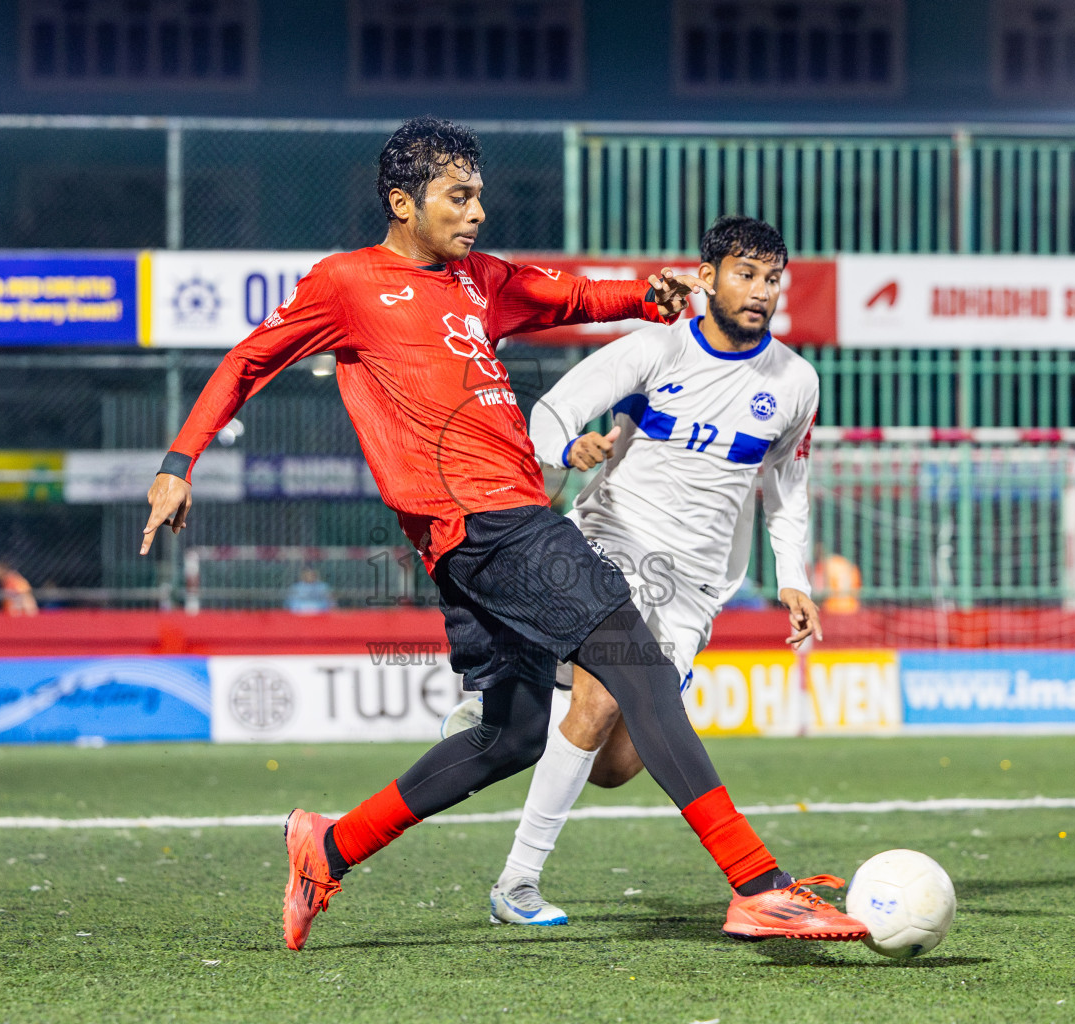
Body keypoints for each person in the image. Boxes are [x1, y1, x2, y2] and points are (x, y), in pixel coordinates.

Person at [140, 118, 866, 951]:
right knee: (637, 665)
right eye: (459, 195)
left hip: (483, 531)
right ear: (401, 202)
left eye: (479, 193)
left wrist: (643, 294)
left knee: (511, 732)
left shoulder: (479, 279)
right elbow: (245, 362)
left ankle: (329, 846)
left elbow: (568, 295)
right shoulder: (348, 284)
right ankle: (758, 885)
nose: (478, 210)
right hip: (487, 521)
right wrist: (179, 459)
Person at [456, 215, 824, 927]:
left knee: (618, 763)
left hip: (697, 586)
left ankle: (512, 706)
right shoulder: (655, 350)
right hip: (614, 544)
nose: (760, 290)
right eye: (745, 273)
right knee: (597, 702)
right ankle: (517, 883)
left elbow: (788, 486)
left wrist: (794, 575)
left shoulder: (795, 383)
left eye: (772, 277)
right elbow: (552, 412)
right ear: (708, 277)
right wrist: (568, 452)